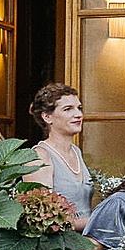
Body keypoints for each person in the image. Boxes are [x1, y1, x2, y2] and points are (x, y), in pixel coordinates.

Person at [24, 83, 94, 232]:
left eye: (79, 108)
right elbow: (43, 220)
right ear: (47, 117)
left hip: (87, 244)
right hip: (57, 249)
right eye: (68, 109)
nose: (78, 114)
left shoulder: (76, 151)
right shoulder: (39, 156)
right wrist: (98, 221)